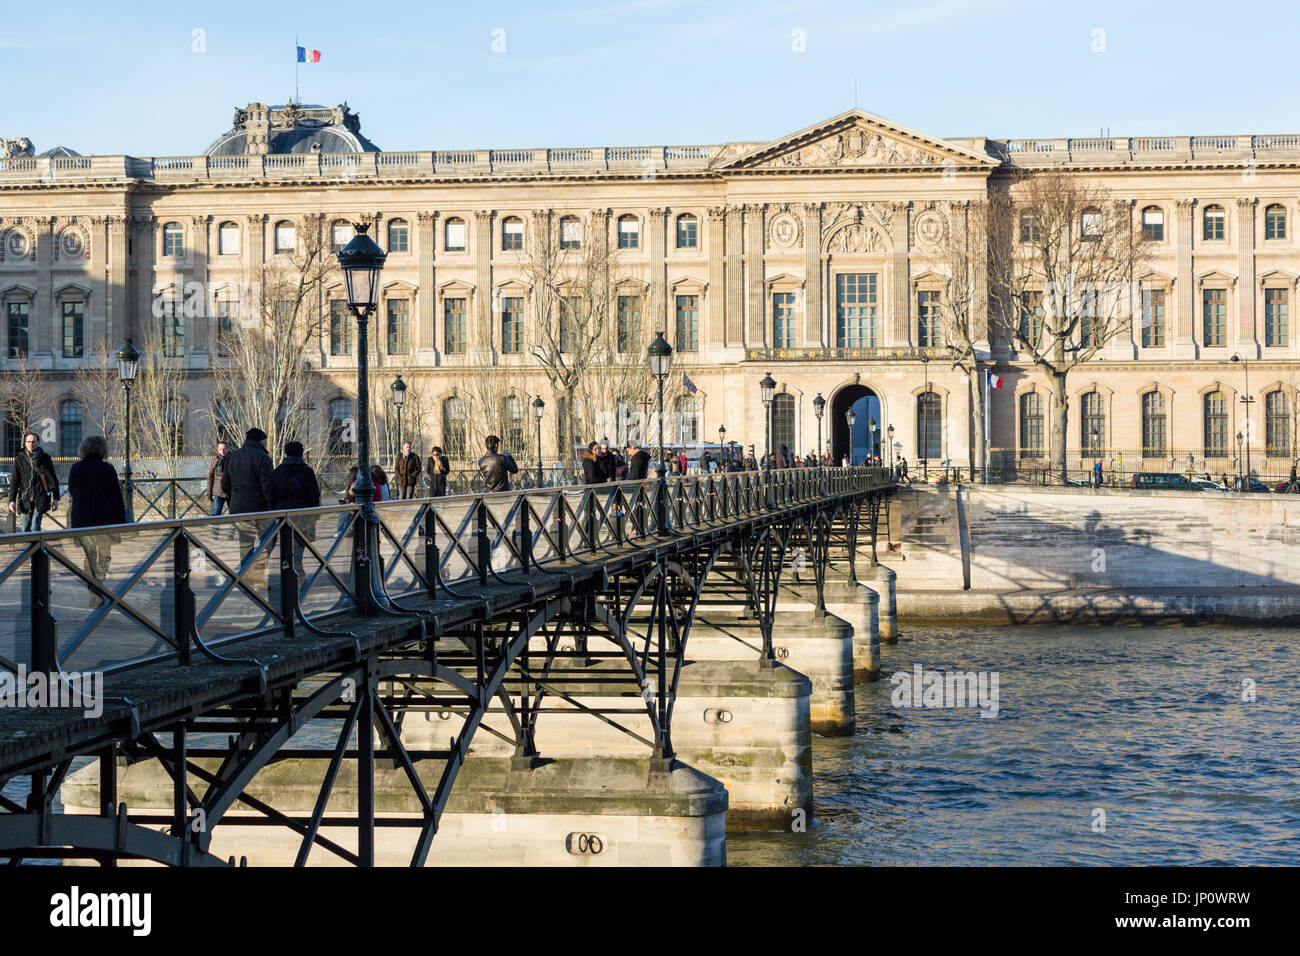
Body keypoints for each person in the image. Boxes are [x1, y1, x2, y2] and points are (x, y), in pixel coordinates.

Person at [67, 435, 127, 606]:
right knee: (104, 555)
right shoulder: (106, 469)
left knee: (89, 556)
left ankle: (93, 590)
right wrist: (122, 521)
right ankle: (98, 585)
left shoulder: (76, 468)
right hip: (103, 520)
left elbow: (72, 492)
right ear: (102, 449)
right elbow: (116, 497)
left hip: (82, 519)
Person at [221, 427, 274, 585]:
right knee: (268, 541)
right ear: (261, 440)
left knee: (245, 543)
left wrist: (233, 501)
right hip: (260, 508)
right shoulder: (263, 457)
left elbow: (225, 485)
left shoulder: (232, 456)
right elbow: (267, 486)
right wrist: (272, 507)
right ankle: (259, 573)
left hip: (238, 507)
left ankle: (245, 578)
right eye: (265, 441)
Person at [270, 441, 321, 575]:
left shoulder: (278, 471)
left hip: (282, 513)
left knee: (286, 543)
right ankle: (296, 570)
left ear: (285, 453)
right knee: (299, 544)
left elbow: (271, 494)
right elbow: (314, 495)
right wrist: (315, 514)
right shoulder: (307, 471)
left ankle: (288, 570)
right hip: (302, 513)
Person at [8, 430, 60, 532]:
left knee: (35, 527)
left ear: (38, 442)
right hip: (25, 498)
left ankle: (37, 548)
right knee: (25, 529)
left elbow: (53, 478)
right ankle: (33, 548)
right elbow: (15, 480)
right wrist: (11, 500)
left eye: (34, 442)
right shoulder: (20, 458)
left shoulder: (45, 458)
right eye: (28, 442)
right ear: (25, 443)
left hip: (41, 497)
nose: (31, 444)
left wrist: (56, 498)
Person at [207, 440, 230, 516]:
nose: (222, 451)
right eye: (220, 449)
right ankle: (215, 528)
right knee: (216, 514)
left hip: (231, 491)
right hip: (218, 491)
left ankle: (236, 528)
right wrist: (209, 493)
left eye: (224, 449)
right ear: (218, 450)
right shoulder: (215, 461)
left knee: (235, 514)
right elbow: (210, 477)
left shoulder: (233, 459)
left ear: (228, 449)